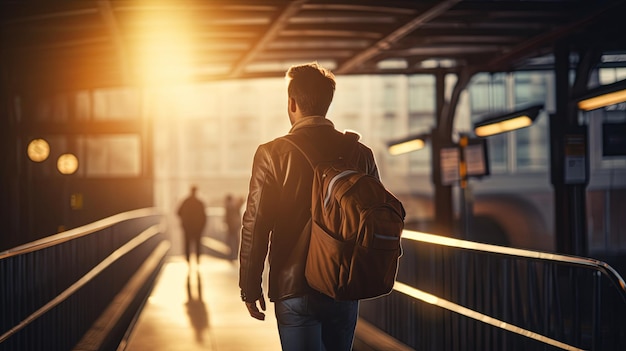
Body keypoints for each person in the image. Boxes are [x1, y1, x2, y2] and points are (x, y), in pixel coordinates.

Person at [239, 62, 380, 351]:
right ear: (327, 103)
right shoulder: (360, 153)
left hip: (295, 286)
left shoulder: (272, 153)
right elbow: (375, 218)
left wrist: (250, 285)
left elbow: (256, 223)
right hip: (344, 284)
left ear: (292, 103)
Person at [177, 185, 207, 267]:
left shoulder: (185, 201)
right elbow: (204, 216)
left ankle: (188, 259)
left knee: (187, 243)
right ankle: (197, 258)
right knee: (197, 243)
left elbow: (178, 212)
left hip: (187, 227)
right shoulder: (199, 202)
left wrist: (184, 220)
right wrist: (202, 226)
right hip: (197, 228)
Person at [224, 194, 243, 260]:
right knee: (235, 240)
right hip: (235, 226)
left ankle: (232, 255)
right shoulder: (234, 206)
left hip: (231, 226)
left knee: (231, 241)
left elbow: (227, 217)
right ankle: (234, 254)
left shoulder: (229, 207)